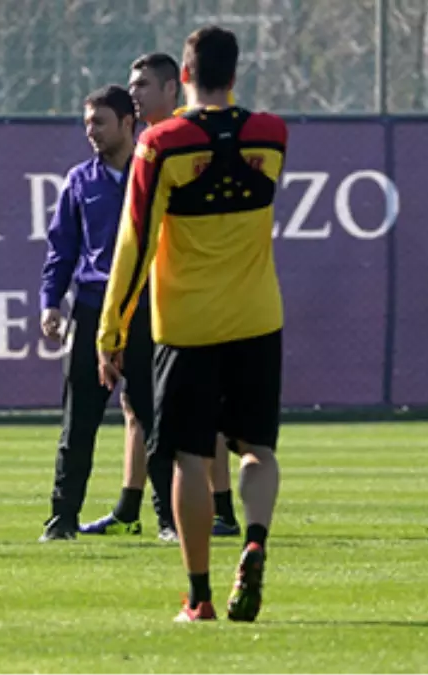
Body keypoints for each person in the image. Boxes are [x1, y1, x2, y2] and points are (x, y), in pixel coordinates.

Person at [98, 27, 286, 623]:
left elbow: (135, 243)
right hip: (259, 317)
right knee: (256, 449)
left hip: (187, 328)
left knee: (188, 458)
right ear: (234, 73)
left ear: (184, 74)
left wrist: (112, 333)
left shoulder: (162, 144)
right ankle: (254, 539)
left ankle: (200, 596)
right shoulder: (271, 134)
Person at [79, 51, 241, 541]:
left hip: (184, 294)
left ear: (174, 88)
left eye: (144, 84)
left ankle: (221, 510)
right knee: (138, 405)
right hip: (147, 296)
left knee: (195, 408)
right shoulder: (148, 145)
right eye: (132, 84)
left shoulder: (188, 140)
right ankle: (131, 508)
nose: (135, 92)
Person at [38, 85, 169, 542]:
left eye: (99, 122)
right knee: (79, 421)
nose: (90, 131)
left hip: (147, 310)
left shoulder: (154, 174)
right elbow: (62, 250)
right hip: (93, 311)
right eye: (87, 122)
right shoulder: (80, 181)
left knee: (157, 419)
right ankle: (62, 519)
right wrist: (51, 303)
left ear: (127, 123)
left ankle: (170, 521)